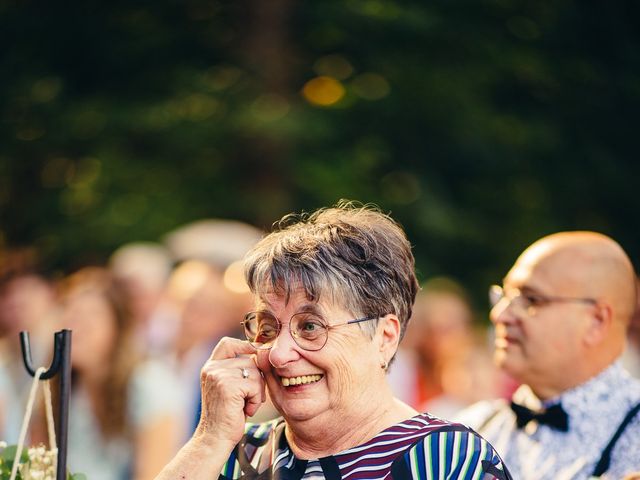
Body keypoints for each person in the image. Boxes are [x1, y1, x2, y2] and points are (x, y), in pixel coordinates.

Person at [155, 201, 511, 480]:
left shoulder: (445, 459)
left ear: (385, 337)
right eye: (266, 327)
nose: (278, 353)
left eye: (310, 327)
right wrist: (209, 438)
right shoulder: (240, 454)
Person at [456, 232, 640, 480]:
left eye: (531, 300)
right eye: (505, 296)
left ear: (596, 322)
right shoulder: (473, 430)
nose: (500, 315)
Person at [58, 267, 184, 480]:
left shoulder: (149, 383)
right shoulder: (60, 387)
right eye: (70, 315)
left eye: (89, 318)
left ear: (118, 327)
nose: (74, 329)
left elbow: (154, 473)